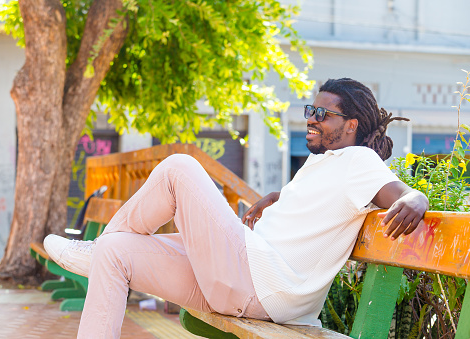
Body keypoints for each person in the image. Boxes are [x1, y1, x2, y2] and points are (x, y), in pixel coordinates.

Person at [44, 78, 429, 338]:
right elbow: (321, 205)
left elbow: (399, 193)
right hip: (242, 280)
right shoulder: (323, 164)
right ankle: (100, 250)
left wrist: (417, 198)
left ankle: (93, 249)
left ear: (351, 125)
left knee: (180, 167)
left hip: (260, 282)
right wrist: (278, 197)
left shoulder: (358, 160)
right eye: (311, 110)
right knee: (116, 255)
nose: (311, 119)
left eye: (323, 115)